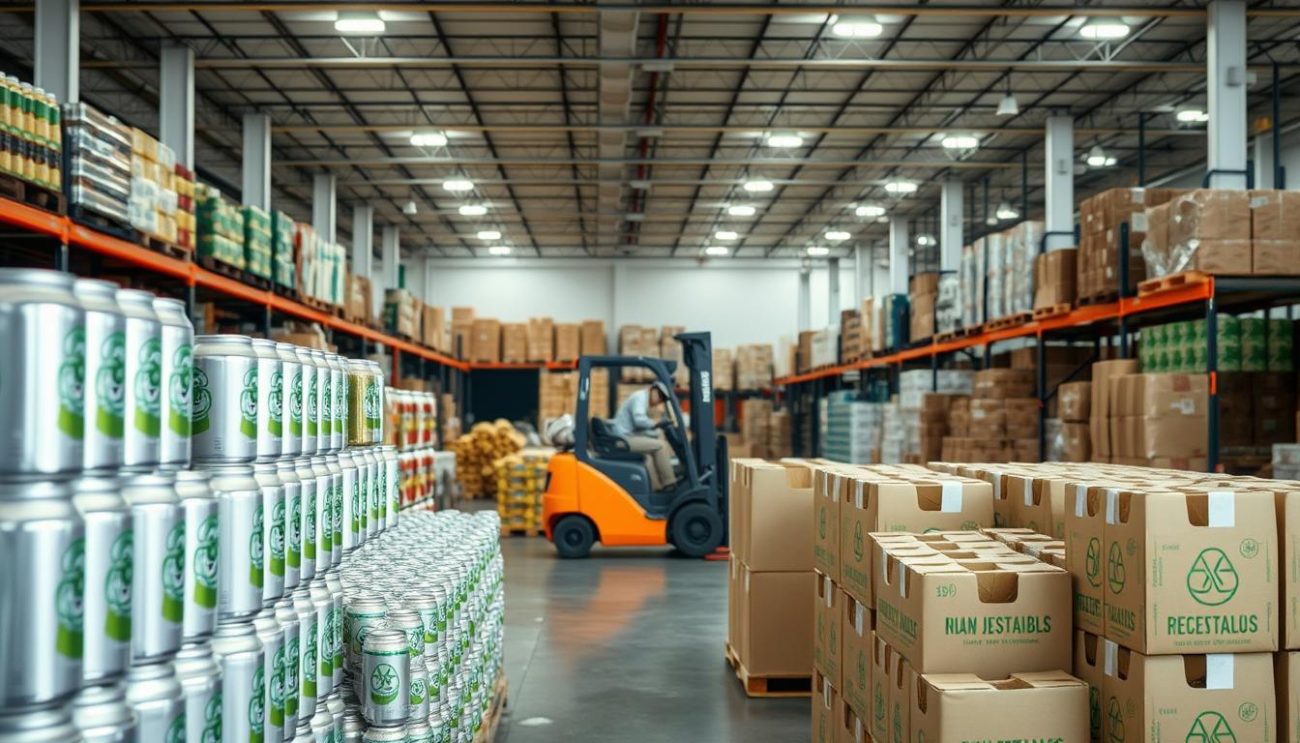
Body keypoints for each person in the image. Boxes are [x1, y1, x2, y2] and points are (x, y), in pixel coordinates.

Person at [610, 381, 676, 491]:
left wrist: (656, 431)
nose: (659, 400)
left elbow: (639, 428)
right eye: (659, 395)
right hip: (623, 439)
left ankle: (656, 488)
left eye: (662, 399)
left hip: (627, 436)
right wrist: (656, 422)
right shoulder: (640, 397)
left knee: (649, 457)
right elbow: (639, 420)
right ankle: (670, 483)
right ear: (652, 389)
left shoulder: (643, 400)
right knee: (661, 446)